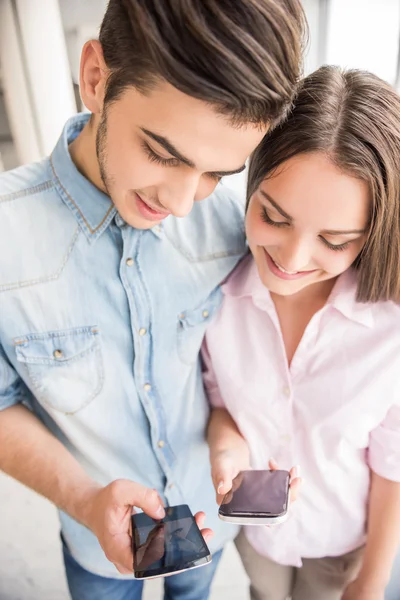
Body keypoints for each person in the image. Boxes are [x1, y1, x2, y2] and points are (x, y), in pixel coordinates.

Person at [0, 0, 306, 599]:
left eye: (217, 173)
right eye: (164, 154)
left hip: (208, 529)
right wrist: (86, 500)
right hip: (96, 546)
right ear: (95, 78)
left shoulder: (234, 225)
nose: (184, 202)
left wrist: (238, 443)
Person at [204, 65, 400, 600]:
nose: (290, 260)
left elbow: (393, 466)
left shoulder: (390, 334)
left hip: (341, 547)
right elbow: (221, 403)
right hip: (258, 536)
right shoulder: (215, 297)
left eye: (334, 241)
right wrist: (227, 454)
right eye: (273, 215)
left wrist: (373, 578)